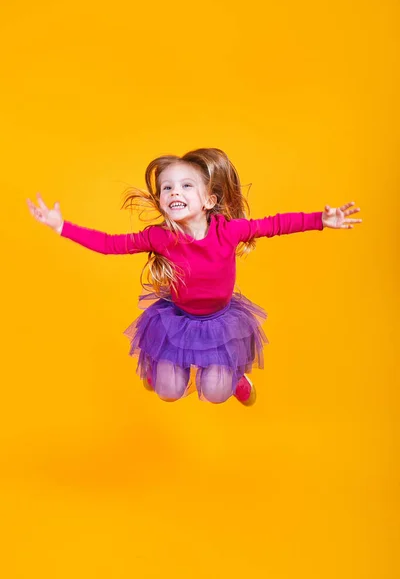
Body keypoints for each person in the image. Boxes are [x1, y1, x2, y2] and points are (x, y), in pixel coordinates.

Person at [27, 147, 362, 406]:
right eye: (167, 187)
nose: (175, 192)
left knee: (216, 394)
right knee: (168, 393)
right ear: (160, 199)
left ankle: (237, 381)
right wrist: (61, 227)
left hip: (220, 320)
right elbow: (110, 245)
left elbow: (275, 224)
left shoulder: (229, 231)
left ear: (209, 199)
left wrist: (321, 218)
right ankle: (158, 368)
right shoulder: (158, 237)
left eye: (186, 186)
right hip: (178, 319)